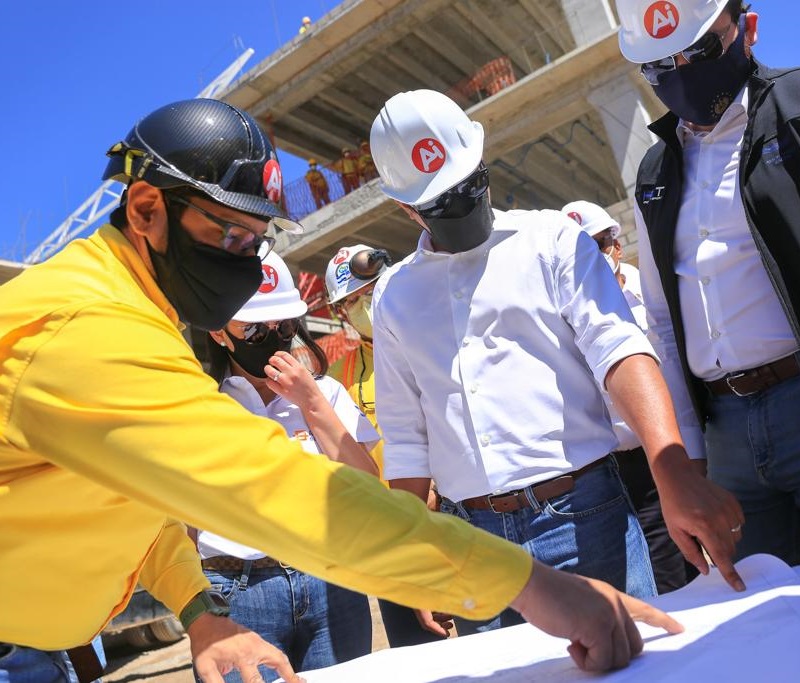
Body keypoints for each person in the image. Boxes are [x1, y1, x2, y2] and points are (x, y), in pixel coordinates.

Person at [0, 96, 682, 683]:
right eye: (229, 234)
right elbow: (276, 490)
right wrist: (530, 582)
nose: (244, 262)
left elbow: (131, 498)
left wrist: (197, 611)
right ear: (146, 208)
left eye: (256, 240)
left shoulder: (132, 315)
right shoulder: (86, 331)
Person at [368, 89, 745, 636]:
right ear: (406, 208)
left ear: (482, 163)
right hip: (472, 544)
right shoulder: (394, 295)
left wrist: (672, 468)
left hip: (585, 518)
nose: (461, 207)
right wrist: (412, 555)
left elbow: (620, 349)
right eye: (438, 204)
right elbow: (405, 434)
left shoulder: (550, 240)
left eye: (469, 187)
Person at [617, 0, 800, 564]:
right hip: (726, 437)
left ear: (747, 27)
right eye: (658, 67)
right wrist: (687, 461)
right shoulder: (655, 171)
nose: (680, 74)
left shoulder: (794, 110)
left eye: (697, 51)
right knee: (759, 623)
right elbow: (661, 323)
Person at [197, 251, 377, 682]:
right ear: (221, 333)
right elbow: (181, 519)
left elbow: (368, 488)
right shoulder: (199, 405)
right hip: (238, 591)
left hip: (330, 580)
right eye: (255, 329)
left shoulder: (326, 393)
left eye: (284, 325)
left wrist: (311, 404)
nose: (274, 336)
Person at [562, 200, 693, 594]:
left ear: (617, 247)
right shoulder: (560, 312)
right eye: (580, 250)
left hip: (664, 453)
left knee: (686, 569)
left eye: (599, 245)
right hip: (606, 471)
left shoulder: (650, 295)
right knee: (638, 582)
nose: (595, 257)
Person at [325, 244, 444, 647]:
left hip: (457, 515)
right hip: (391, 536)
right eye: (351, 302)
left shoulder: (439, 338)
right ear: (340, 313)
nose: (362, 306)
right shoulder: (338, 379)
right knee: (420, 657)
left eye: (369, 291)